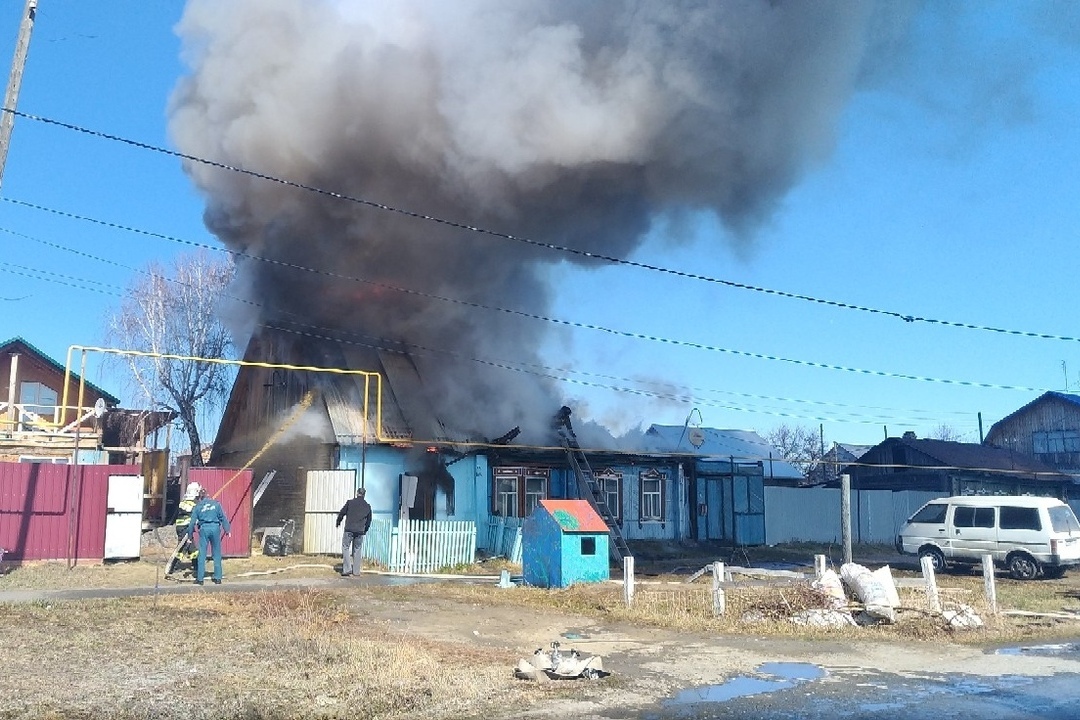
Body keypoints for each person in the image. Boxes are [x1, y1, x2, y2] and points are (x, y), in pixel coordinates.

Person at [190, 488, 232, 585]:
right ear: (208, 495)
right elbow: (223, 518)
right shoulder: (216, 504)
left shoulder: (198, 506)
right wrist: (227, 530)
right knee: (216, 553)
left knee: (202, 554)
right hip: (215, 528)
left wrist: (190, 534)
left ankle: (200, 579)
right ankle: (218, 578)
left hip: (204, 529)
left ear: (200, 497)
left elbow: (192, 522)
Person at [166, 482, 201, 576]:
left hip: (181, 527)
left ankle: (197, 567)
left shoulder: (183, 502)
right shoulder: (195, 504)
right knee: (182, 547)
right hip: (185, 528)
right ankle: (173, 567)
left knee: (192, 549)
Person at [335, 487, 372, 577]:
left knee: (345, 547)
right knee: (357, 550)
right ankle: (356, 571)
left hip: (349, 529)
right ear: (364, 495)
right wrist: (365, 530)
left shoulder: (350, 503)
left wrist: (338, 522)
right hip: (360, 531)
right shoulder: (367, 506)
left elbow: (342, 513)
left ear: (357, 493)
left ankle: (347, 569)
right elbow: (369, 521)